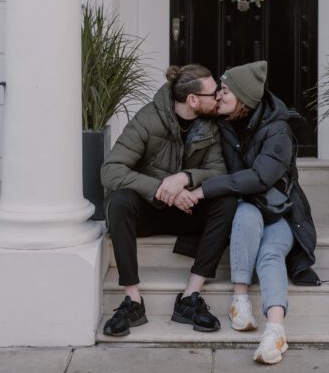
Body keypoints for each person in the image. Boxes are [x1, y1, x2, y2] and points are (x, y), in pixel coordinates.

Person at [187, 60, 318, 365]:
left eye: (225, 91)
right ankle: (240, 300)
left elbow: (261, 177)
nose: (218, 96)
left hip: (281, 211)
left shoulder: (278, 130)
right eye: (219, 90)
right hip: (248, 207)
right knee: (246, 214)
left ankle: (275, 329)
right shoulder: (223, 123)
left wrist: (204, 190)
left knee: (271, 253)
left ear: (244, 99)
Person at [101, 63, 236, 336]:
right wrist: (162, 188)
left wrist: (185, 178)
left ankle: (190, 297)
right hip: (150, 209)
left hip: (187, 209)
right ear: (193, 100)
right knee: (119, 201)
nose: (219, 97)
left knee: (227, 203)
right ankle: (132, 301)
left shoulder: (210, 126)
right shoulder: (148, 120)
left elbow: (218, 171)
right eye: (214, 94)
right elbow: (111, 170)